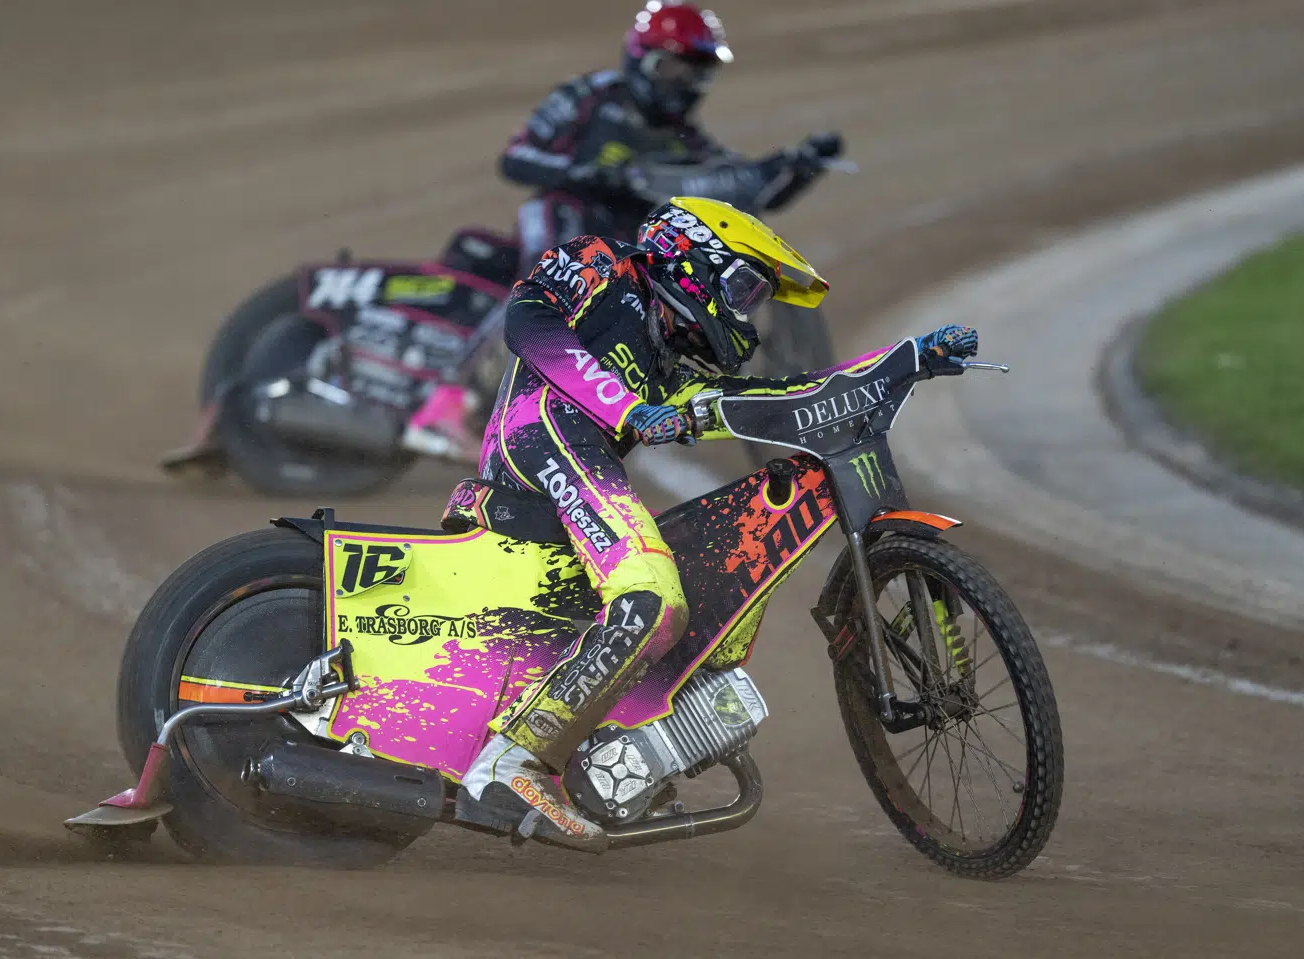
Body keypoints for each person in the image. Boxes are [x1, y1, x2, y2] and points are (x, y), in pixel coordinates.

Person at [454, 196, 979, 850]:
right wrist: (628, 410)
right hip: (539, 442)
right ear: (691, 258)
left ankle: (612, 745)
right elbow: (528, 321)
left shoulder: (671, 367)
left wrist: (908, 359)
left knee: (689, 600)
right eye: (742, 289)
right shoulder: (601, 263)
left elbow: (788, 396)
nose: (745, 311)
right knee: (651, 596)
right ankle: (507, 766)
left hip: (578, 462)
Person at [403, 1, 844, 462]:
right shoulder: (591, 96)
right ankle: (451, 403)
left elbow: (740, 190)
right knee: (550, 282)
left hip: (619, 247)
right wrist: (588, 172)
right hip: (564, 211)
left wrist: (799, 165)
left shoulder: (685, 140)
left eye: (697, 73)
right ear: (641, 58)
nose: (685, 83)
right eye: (674, 68)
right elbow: (515, 158)